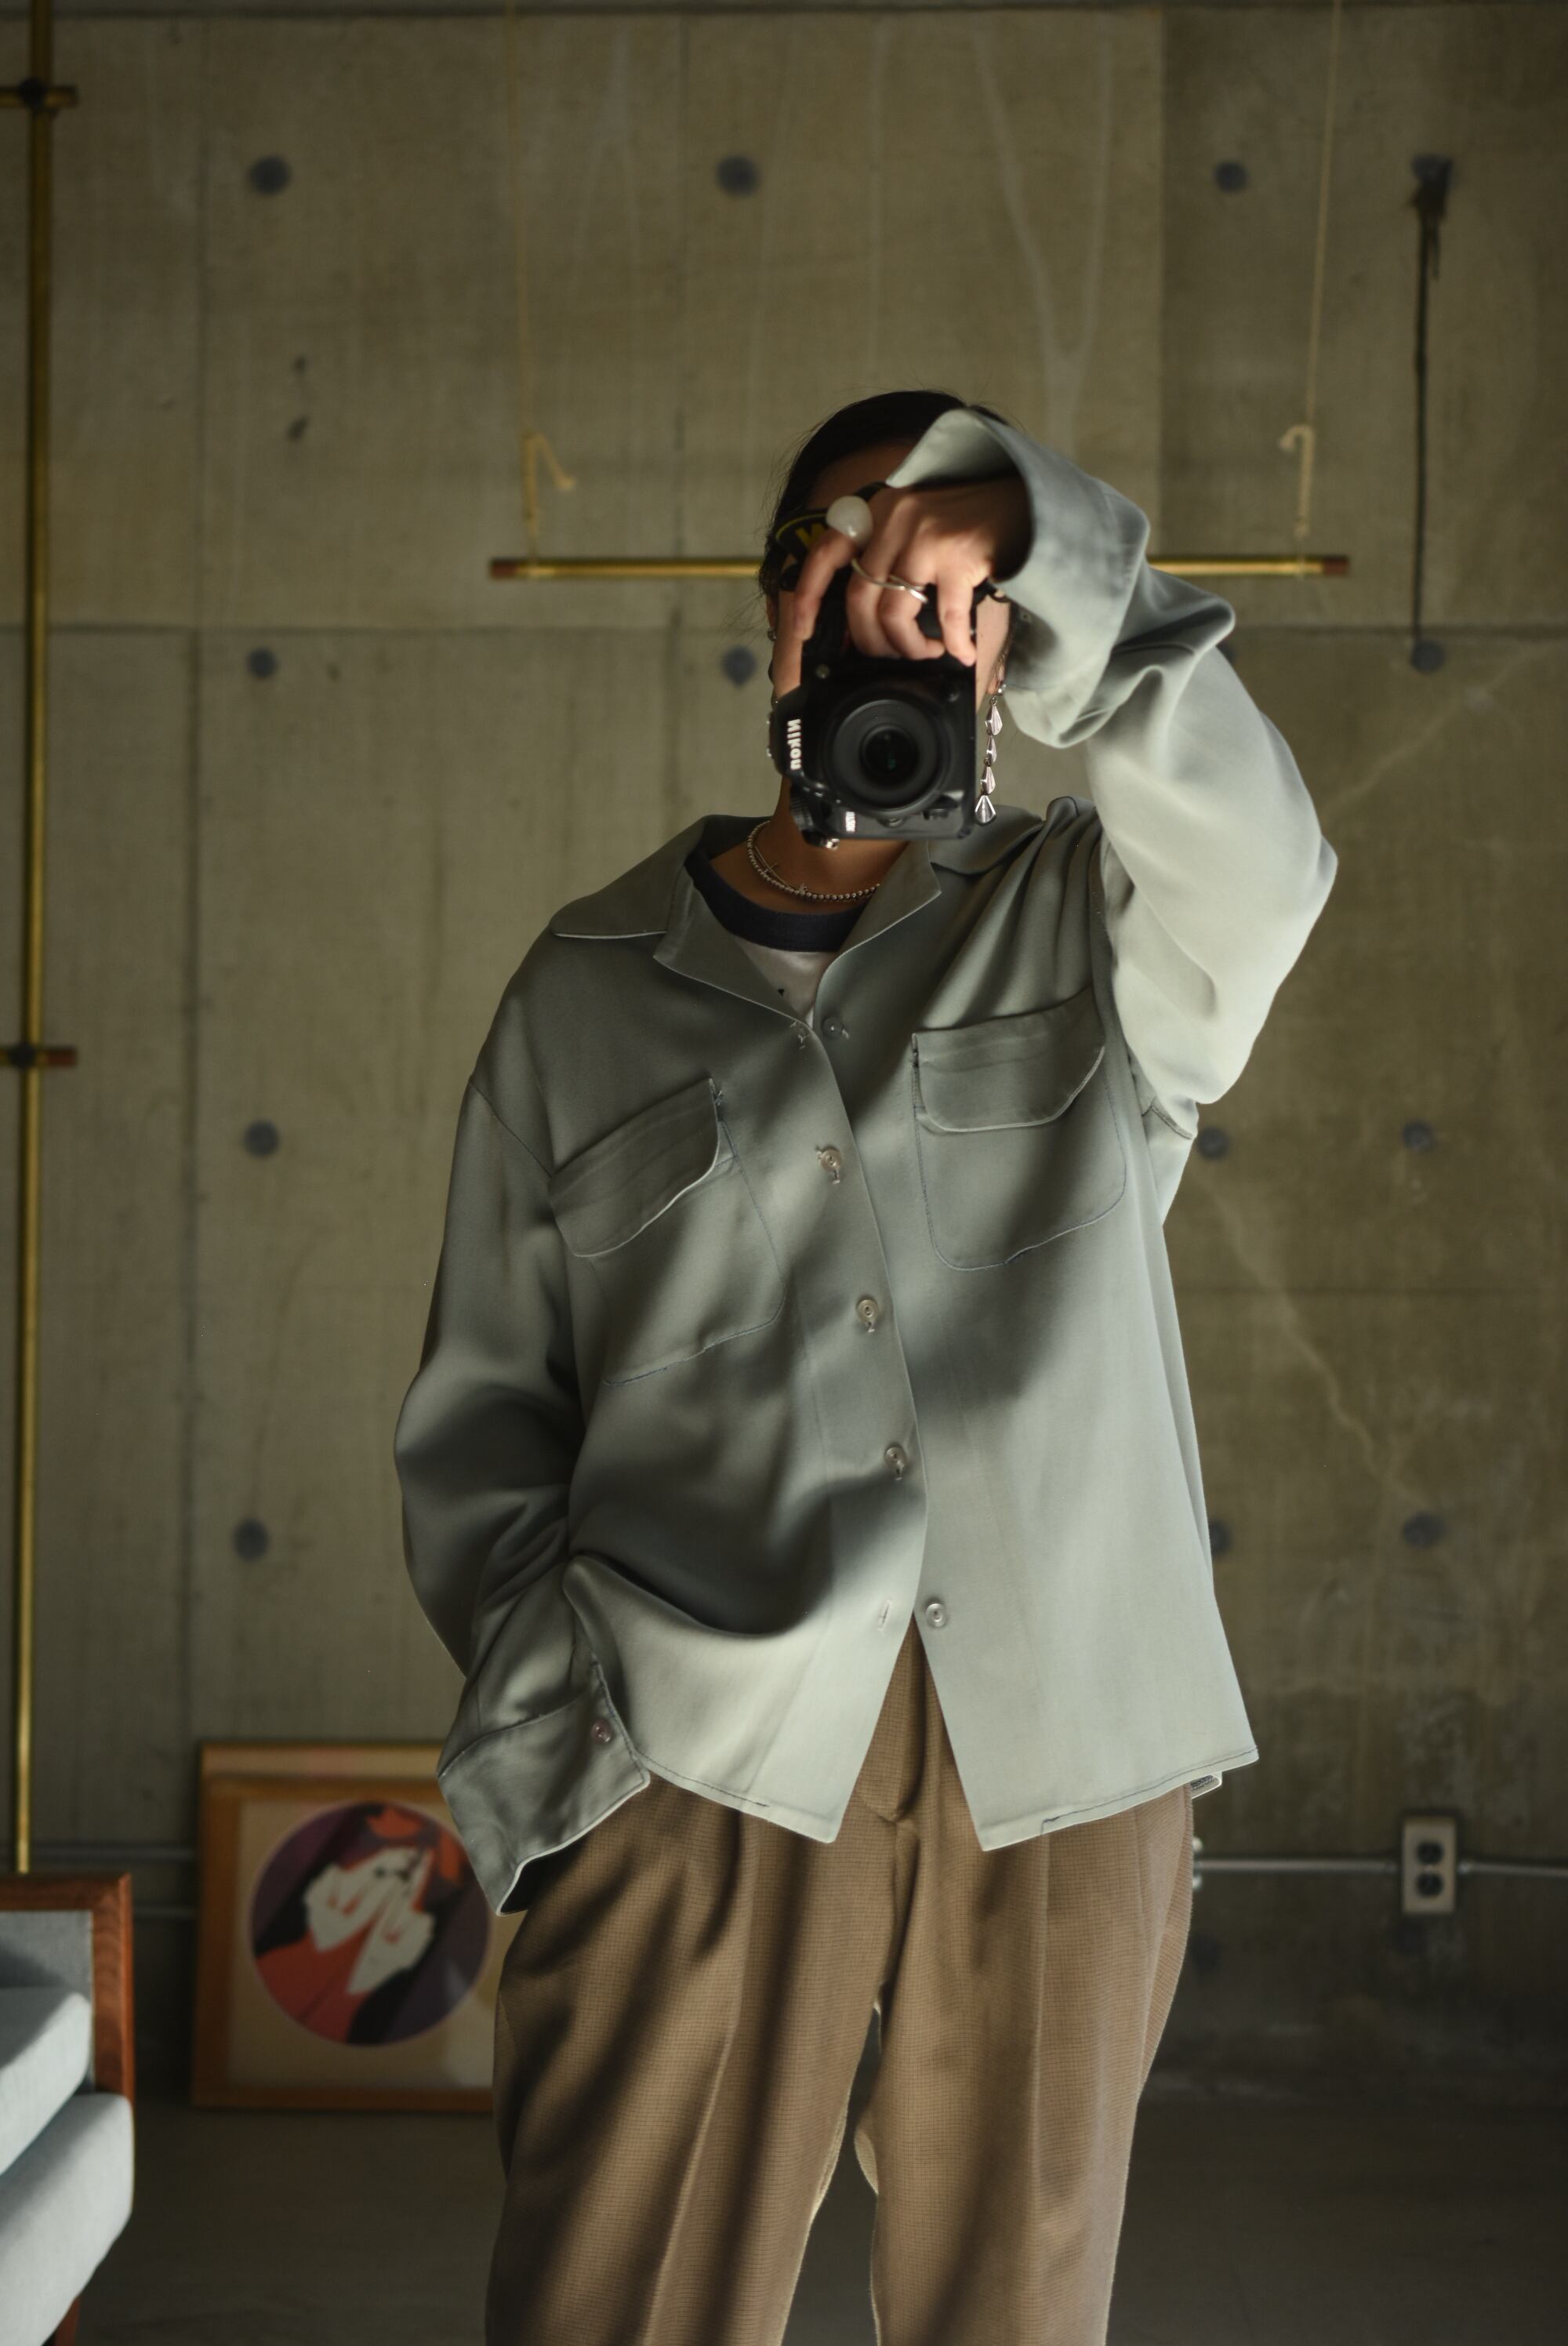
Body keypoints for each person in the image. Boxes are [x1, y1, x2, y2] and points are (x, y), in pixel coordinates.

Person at [393, 387, 1338, 2346]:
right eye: (852, 564)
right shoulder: (584, 990)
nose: (898, 616)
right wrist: (580, 1731)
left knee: (1018, 2316)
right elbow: (485, 1424)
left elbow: (1270, 862)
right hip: (695, 1751)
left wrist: (1042, 549)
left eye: (949, 586)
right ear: (776, 610)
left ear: (1010, 638)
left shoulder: (1091, 923)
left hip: (1062, 1757)